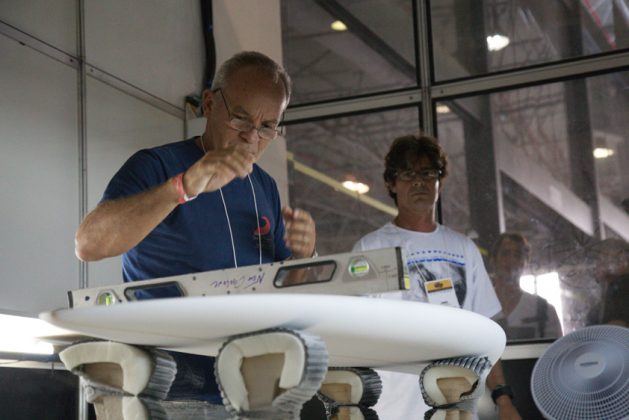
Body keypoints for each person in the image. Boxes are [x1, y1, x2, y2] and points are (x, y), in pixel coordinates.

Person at [74, 51, 317, 405]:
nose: (252, 137)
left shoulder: (264, 187)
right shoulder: (157, 166)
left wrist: (303, 256)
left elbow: (286, 294)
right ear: (209, 103)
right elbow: (88, 245)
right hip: (171, 382)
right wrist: (183, 186)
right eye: (241, 119)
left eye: (267, 127)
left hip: (250, 384)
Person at [353, 134, 521, 420]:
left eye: (428, 173)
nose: (419, 182)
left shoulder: (464, 249)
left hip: (457, 408)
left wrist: (503, 398)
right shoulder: (370, 249)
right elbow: (354, 336)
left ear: (439, 182)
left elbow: (485, 333)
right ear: (391, 184)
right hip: (394, 410)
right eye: (407, 174)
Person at [490, 233, 562, 340]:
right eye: (505, 254)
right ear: (493, 261)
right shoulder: (476, 310)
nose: (511, 260)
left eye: (517, 255)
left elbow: (555, 353)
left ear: (525, 263)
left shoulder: (544, 310)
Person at [587, 238, 629, 327]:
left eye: (603, 257)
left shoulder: (622, 292)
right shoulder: (608, 296)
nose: (597, 264)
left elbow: (617, 328)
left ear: (623, 259)